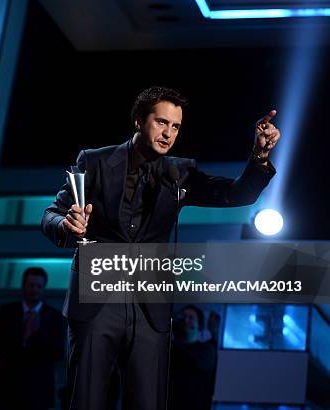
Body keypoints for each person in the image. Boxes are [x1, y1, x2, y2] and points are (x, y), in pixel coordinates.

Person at [41, 86, 280, 409]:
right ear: (139, 120)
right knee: (87, 400)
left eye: (176, 127)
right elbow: (52, 214)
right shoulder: (95, 161)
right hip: (97, 300)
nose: (169, 133)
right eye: (161, 122)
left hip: (150, 308)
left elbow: (236, 195)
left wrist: (260, 156)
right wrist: (66, 224)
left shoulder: (181, 172)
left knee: (147, 402)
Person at [0, 267, 67, 410]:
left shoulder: (54, 316)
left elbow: (58, 352)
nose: (34, 289)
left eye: (39, 286)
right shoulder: (7, 312)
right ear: (23, 286)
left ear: (44, 288)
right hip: (7, 386)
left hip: (38, 389)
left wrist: (37, 333)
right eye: (31, 285)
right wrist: (23, 334)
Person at [169, 305, 217, 410]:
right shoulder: (169, 350)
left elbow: (194, 362)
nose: (186, 320)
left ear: (199, 325)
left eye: (191, 318)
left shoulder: (207, 351)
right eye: (183, 317)